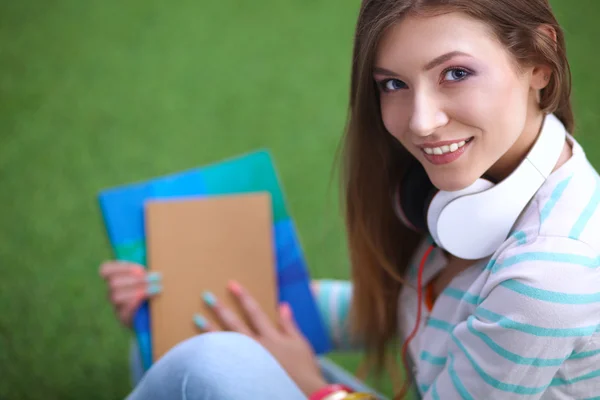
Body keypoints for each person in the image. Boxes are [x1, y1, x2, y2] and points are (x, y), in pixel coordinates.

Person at [99, 0, 600, 399]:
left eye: (456, 73)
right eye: (394, 84)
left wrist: (317, 389)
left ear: (538, 60)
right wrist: (189, 291)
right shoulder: (484, 179)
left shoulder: (547, 274)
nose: (421, 121)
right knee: (185, 336)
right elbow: (394, 310)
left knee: (206, 365)